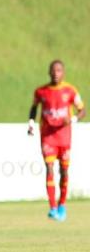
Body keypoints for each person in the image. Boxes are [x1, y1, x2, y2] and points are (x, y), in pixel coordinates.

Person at [28, 59, 85, 221]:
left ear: (63, 73)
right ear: (49, 72)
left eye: (59, 70)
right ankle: (52, 207)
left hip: (64, 136)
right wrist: (31, 123)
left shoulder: (70, 90)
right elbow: (33, 108)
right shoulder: (41, 91)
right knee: (49, 168)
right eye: (53, 70)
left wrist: (73, 120)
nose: (55, 73)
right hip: (47, 136)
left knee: (64, 171)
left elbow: (82, 110)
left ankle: (62, 204)